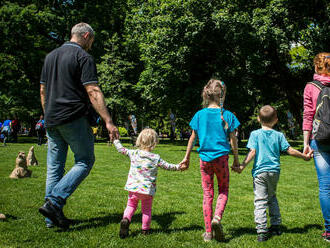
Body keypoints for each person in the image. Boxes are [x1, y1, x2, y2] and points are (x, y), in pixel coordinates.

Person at [38, 22, 119, 229]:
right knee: (85, 160)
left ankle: (51, 218)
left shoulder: (50, 57)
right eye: (91, 40)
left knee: (54, 167)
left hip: (52, 119)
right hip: (73, 117)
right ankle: (54, 202)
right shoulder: (83, 57)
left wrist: (47, 115)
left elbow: (42, 91)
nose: (91, 44)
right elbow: (92, 91)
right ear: (85, 36)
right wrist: (108, 121)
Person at [232, 105, 312, 242]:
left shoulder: (255, 134)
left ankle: (262, 230)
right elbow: (290, 150)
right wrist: (304, 157)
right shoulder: (279, 135)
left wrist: (242, 166)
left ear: (258, 119)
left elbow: (252, 152)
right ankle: (276, 225)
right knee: (272, 197)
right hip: (274, 172)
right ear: (276, 120)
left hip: (260, 173)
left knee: (260, 200)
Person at [180, 79, 240, 242]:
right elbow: (233, 139)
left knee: (207, 194)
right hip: (221, 159)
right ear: (221, 95)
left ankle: (208, 233)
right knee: (223, 190)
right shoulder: (227, 115)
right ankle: (217, 219)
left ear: (207, 95)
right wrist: (236, 159)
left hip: (204, 160)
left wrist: (186, 158)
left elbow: (192, 137)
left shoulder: (199, 115)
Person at [113, 128, 185, 238]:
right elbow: (168, 166)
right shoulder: (156, 158)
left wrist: (116, 141)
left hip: (133, 189)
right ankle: (145, 230)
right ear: (155, 142)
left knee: (131, 205)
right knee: (146, 210)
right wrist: (178, 167)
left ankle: (126, 219)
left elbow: (121, 150)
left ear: (139, 140)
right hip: (147, 191)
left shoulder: (134, 153)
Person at [303, 52, 330, 242]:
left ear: (316, 67)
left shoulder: (311, 87)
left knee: (325, 187)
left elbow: (308, 115)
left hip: (320, 140)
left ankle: (329, 230)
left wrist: (305, 142)